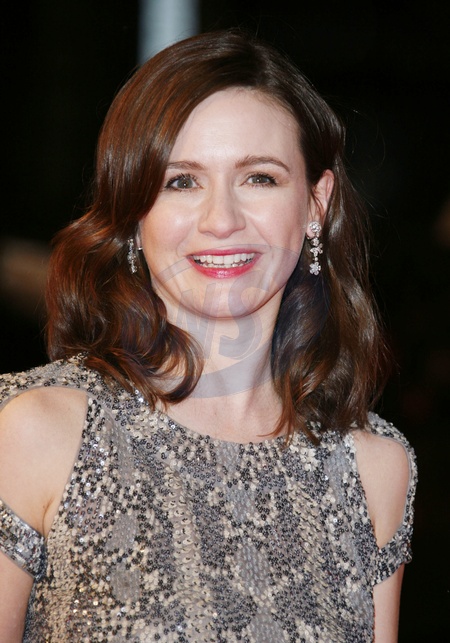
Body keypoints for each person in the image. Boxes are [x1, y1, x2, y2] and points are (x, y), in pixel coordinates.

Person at [0, 29, 416, 642]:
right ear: (134, 212)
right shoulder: (35, 431)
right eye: (181, 181)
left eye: (260, 178)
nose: (221, 220)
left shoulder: (372, 468)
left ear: (316, 204)